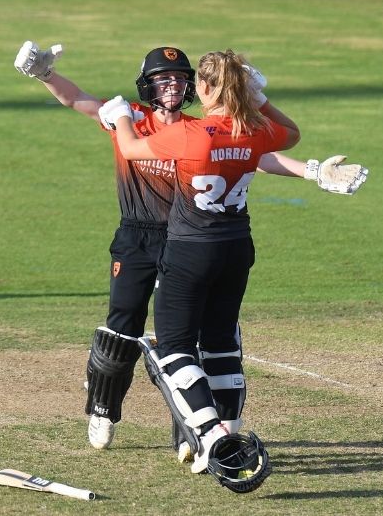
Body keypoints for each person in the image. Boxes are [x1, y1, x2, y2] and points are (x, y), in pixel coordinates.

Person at [13, 41, 368, 454]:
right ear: (147, 84)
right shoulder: (130, 117)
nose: (172, 86)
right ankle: (104, 410)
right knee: (122, 327)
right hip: (138, 237)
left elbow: (257, 157)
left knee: (183, 339)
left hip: (184, 240)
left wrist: (310, 171)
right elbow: (77, 100)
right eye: (163, 79)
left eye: (181, 79)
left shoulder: (194, 128)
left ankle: (190, 433)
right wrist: (45, 75)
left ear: (193, 88)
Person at [99, 49, 307, 484]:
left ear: (205, 88)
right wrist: (260, 98)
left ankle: (212, 437)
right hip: (237, 249)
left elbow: (133, 147)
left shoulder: (194, 133)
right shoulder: (253, 130)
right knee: (220, 343)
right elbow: (291, 134)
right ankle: (231, 429)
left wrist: (120, 116)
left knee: (175, 348)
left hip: (191, 250)